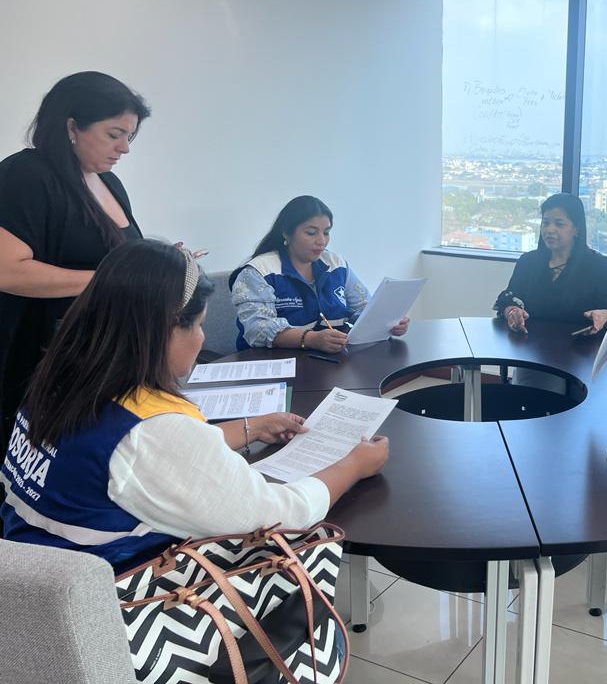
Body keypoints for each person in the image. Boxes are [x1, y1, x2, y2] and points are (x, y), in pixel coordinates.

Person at [0, 239, 388, 573]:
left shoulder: (61, 384)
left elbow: (138, 462)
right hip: (122, 602)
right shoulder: (152, 431)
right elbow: (276, 515)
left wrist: (251, 427)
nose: (202, 338)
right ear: (163, 329)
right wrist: (354, 465)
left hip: (37, 592)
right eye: (199, 324)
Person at [0, 72, 150, 448]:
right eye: (114, 134)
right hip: (42, 362)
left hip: (103, 357)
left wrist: (155, 262)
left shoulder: (109, 182)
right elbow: (7, 270)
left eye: (129, 137)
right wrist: (108, 279)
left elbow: (117, 259)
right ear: (71, 127)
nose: (124, 148)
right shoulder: (26, 175)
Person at [231, 196, 409, 352]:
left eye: (326, 233)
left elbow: (363, 308)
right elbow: (258, 329)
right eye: (311, 233)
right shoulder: (259, 271)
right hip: (273, 364)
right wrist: (310, 339)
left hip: (327, 360)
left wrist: (388, 322)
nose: (321, 241)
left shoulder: (336, 264)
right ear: (287, 232)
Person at [494, 193, 607, 335]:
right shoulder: (528, 262)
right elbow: (507, 300)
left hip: (581, 346)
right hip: (530, 343)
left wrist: (606, 315)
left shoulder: (597, 266)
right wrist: (512, 311)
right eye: (545, 223)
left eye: (559, 224)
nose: (549, 230)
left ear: (576, 229)